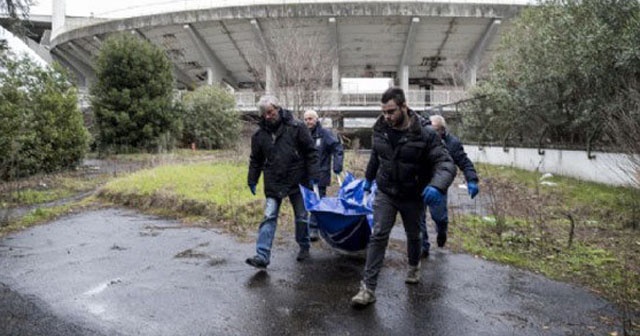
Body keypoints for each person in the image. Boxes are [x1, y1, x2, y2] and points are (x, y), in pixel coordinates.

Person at [351, 87, 456, 307]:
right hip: (387, 191)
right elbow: (376, 157)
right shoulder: (380, 128)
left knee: (414, 234)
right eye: (384, 112)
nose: (387, 117)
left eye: (391, 112)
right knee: (378, 234)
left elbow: (445, 163)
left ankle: (414, 266)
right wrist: (368, 180)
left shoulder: (425, 134)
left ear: (404, 107)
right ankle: (368, 289)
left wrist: (437, 185)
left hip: (413, 194)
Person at [245, 95, 320, 270]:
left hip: (297, 179)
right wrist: (252, 179)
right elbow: (255, 160)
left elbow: (311, 152)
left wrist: (313, 174)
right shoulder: (259, 135)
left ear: (278, 109)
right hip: (274, 180)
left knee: (301, 217)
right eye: (264, 114)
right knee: (269, 216)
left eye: (270, 112)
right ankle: (262, 255)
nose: (267, 117)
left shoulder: (297, 127)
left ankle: (304, 246)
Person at [419, 114, 479, 258]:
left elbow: (464, 162)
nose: (431, 132)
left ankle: (442, 231)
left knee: (439, 217)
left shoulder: (452, 143)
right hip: (420, 183)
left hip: (439, 185)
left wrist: (472, 179)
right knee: (418, 217)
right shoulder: (422, 138)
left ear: (442, 130)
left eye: (435, 130)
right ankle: (423, 246)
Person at [303, 109, 344, 241]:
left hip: (320, 173)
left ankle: (314, 229)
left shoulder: (325, 134)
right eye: (306, 119)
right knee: (307, 201)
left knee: (317, 200)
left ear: (316, 119)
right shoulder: (303, 134)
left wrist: (337, 166)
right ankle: (308, 227)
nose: (308, 121)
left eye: (310, 119)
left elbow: (337, 148)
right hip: (305, 174)